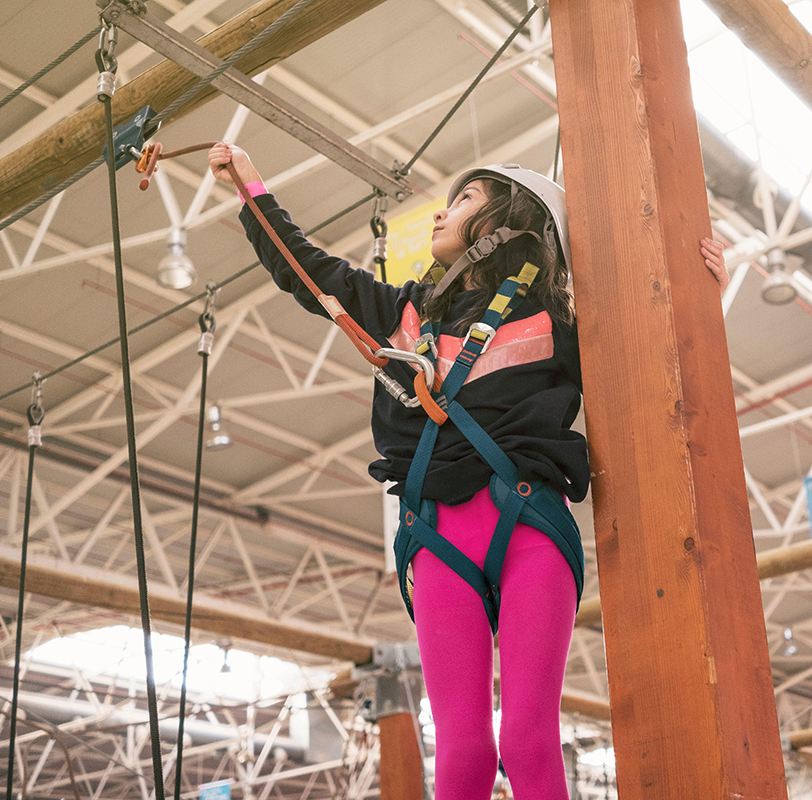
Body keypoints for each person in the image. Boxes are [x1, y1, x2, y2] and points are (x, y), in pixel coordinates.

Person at [209, 142, 729, 800]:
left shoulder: (562, 322)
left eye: (464, 201)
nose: (439, 213)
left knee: (526, 740)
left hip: (528, 524)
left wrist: (707, 296)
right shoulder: (402, 316)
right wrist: (248, 182)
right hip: (434, 535)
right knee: (461, 751)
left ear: (508, 224)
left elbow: (659, 368)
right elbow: (306, 271)